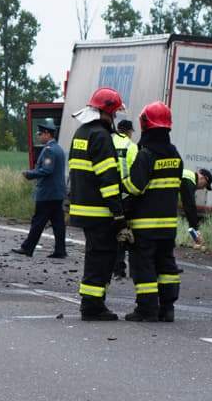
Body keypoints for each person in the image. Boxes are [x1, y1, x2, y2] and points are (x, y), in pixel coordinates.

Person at [68, 87, 128, 321]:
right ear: (105, 111)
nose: (115, 118)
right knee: (102, 257)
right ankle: (92, 306)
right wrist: (118, 213)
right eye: (114, 113)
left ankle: (91, 302)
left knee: (95, 255)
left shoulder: (81, 133)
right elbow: (108, 179)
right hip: (99, 210)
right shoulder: (101, 136)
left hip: (83, 207)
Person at [122, 101, 184, 322]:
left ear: (146, 125)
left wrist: (121, 185)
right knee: (166, 265)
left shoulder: (146, 154)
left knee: (144, 265)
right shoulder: (175, 155)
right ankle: (167, 309)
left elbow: (135, 187)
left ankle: (146, 310)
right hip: (168, 226)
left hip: (145, 225)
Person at [11, 118, 67, 258]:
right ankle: (60, 250)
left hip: (47, 193)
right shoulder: (58, 149)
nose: (38, 136)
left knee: (38, 221)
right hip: (57, 192)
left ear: (47, 134)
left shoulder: (49, 151)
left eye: (40, 134)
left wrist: (30, 174)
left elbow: (46, 170)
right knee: (58, 223)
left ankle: (28, 248)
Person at [111, 118, 139, 279]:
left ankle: (110, 266)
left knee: (110, 232)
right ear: (129, 132)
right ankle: (119, 268)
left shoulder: (108, 141)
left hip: (108, 194)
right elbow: (136, 171)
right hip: (126, 195)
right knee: (124, 232)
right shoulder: (131, 146)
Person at [180, 167, 212, 246]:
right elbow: (190, 206)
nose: (202, 188)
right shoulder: (188, 180)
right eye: (205, 185)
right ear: (202, 177)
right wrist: (195, 229)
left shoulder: (187, 176)